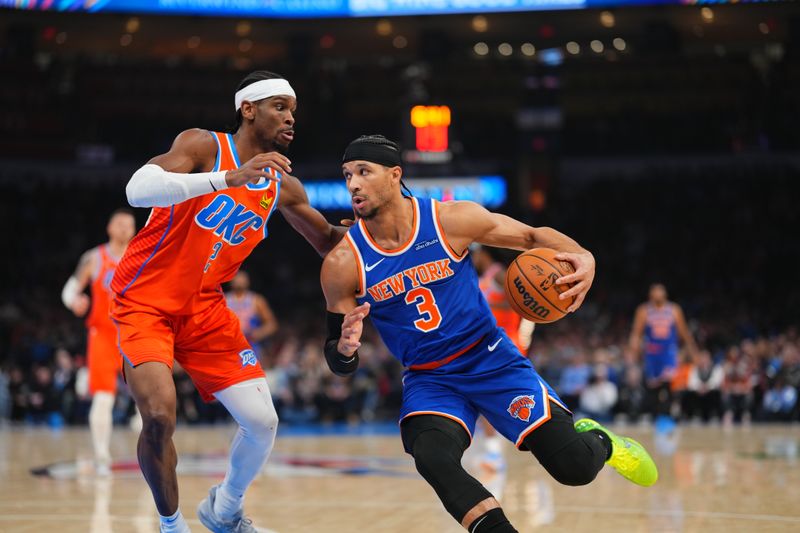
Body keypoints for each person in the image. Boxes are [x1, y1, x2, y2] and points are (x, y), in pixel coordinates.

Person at [320, 135, 658, 533]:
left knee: (576, 469)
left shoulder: (450, 220)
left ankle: (602, 441)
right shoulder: (342, 263)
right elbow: (338, 360)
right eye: (347, 175)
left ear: (395, 175)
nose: (353, 184)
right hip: (430, 377)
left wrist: (585, 257)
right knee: (432, 456)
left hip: (491, 358)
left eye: (364, 171)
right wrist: (344, 349)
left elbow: (532, 237)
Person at [112, 71, 344, 533]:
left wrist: (395, 234)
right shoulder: (203, 146)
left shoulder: (281, 185)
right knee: (159, 416)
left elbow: (330, 242)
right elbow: (136, 189)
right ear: (248, 109)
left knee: (261, 421)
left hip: (204, 308)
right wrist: (226, 178)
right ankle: (171, 525)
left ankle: (224, 511)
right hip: (145, 300)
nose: (290, 117)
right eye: (280, 106)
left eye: (293, 110)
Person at [62, 208, 137, 475]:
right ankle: (102, 456)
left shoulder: (143, 255)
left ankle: (148, 452)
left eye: (130, 224)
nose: (125, 228)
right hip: (103, 335)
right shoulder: (94, 257)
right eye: (120, 223)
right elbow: (70, 289)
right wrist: (75, 301)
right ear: (109, 227)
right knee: (104, 398)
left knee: (147, 400)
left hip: (135, 332)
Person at [472, 245, 535, 473]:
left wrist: (483, 307)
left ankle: (495, 453)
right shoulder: (484, 277)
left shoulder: (499, 273)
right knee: (489, 403)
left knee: (486, 402)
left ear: (483, 254)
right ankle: (495, 451)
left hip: (506, 345)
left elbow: (519, 301)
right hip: (493, 348)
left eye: (475, 254)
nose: (472, 258)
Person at [628, 283, 698, 431]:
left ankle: (669, 415)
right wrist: (633, 352)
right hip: (652, 354)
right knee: (653, 388)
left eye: (660, 291)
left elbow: (684, 332)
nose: (657, 294)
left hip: (668, 353)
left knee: (670, 384)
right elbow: (636, 333)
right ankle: (656, 416)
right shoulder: (644, 310)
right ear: (650, 295)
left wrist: (691, 351)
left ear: (665, 294)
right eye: (654, 292)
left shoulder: (673, 310)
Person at [225, 270, 278, 358]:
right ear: (231, 281)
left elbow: (272, 324)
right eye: (237, 278)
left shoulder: (256, 300)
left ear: (248, 281)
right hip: (228, 346)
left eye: (242, 278)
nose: (239, 280)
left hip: (250, 347)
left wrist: (258, 333)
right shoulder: (223, 300)